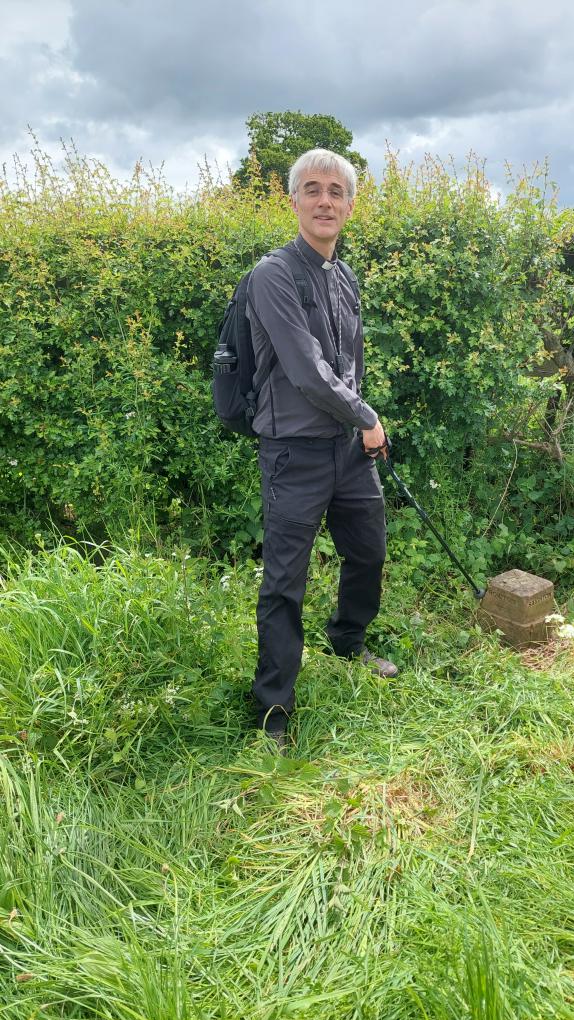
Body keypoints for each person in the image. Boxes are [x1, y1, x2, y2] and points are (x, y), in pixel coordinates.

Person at [246, 148, 398, 749]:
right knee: (285, 580)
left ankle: (347, 642)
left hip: (348, 451)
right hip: (294, 453)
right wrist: (367, 416)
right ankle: (273, 710)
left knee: (368, 552)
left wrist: (359, 423)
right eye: (312, 190)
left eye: (336, 191)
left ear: (351, 205)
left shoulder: (344, 274)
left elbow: (349, 362)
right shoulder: (272, 275)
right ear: (294, 202)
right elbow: (307, 373)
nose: (325, 201)